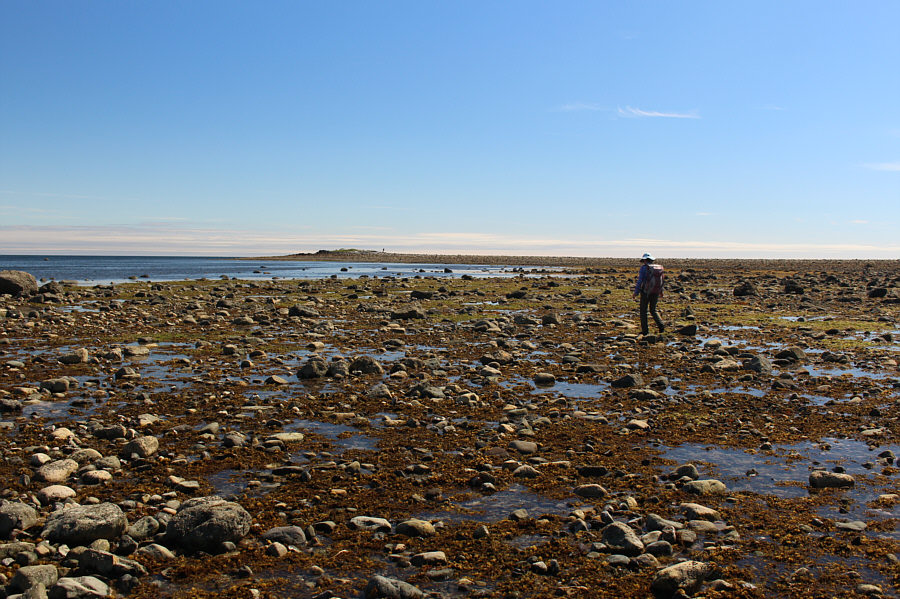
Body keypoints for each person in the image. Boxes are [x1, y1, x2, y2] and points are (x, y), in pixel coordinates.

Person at [632, 252, 665, 336]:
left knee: (643, 311)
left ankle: (645, 331)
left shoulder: (644, 268)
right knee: (653, 310)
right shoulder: (658, 268)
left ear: (645, 260)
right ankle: (661, 326)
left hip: (645, 292)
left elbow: (640, 281)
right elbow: (661, 281)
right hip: (655, 291)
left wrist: (636, 292)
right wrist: (661, 291)